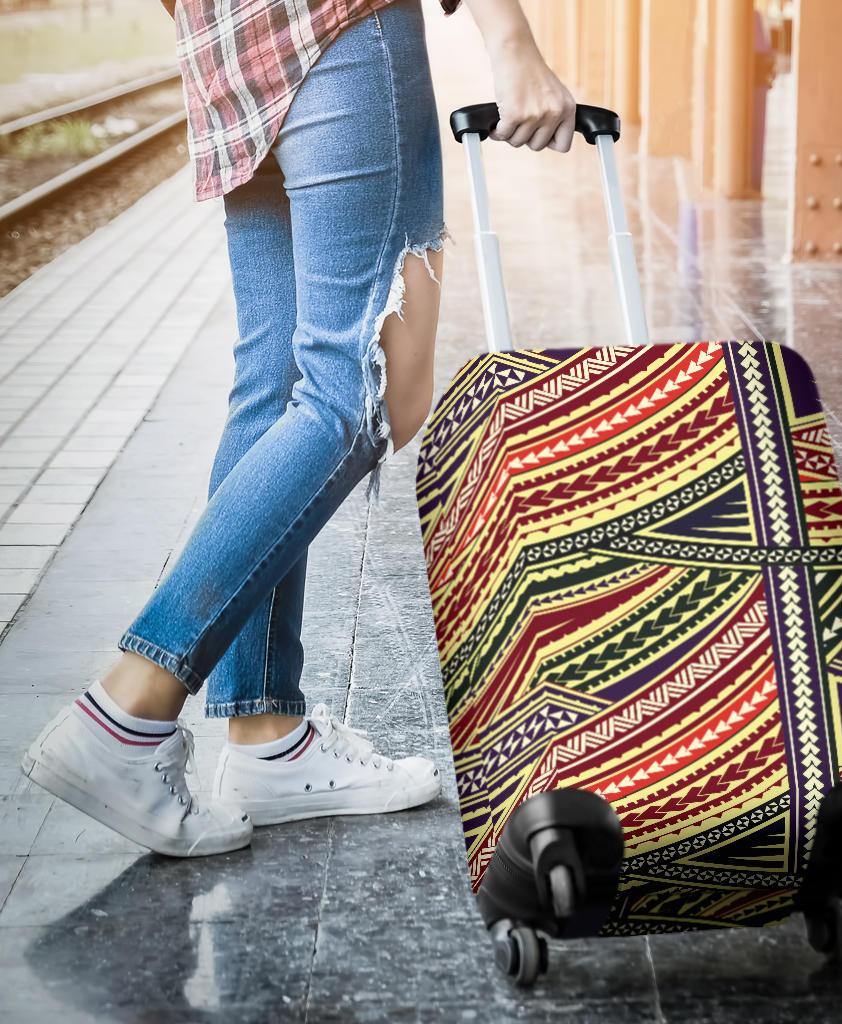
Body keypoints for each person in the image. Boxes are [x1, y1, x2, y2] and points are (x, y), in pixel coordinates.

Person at [22, 0, 576, 857]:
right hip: (342, 28)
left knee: (276, 383)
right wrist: (512, 44)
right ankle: (128, 710)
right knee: (360, 391)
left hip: (228, 52)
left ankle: (265, 735)